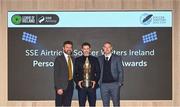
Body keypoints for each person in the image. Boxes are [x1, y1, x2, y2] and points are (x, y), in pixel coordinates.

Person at [74, 42, 101, 107]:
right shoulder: (77, 60)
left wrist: (95, 81)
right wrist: (78, 82)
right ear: (82, 50)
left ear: (90, 49)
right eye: (84, 49)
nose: (86, 50)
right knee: (81, 105)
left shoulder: (95, 59)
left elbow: (98, 72)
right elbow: (74, 73)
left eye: (87, 48)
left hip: (92, 86)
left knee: (92, 105)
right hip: (81, 87)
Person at [98, 41, 124, 107]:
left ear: (111, 48)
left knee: (116, 104)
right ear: (103, 48)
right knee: (105, 105)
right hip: (103, 85)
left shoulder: (117, 58)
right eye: (105, 47)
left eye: (108, 47)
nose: (107, 49)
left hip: (114, 85)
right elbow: (97, 71)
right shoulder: (99, 58)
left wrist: (119, 83)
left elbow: (120, 71)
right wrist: (99, 83)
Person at [54, 41, 74, 107]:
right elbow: (56, 74)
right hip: (61, 86)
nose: (69, 49)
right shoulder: (59, 59)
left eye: (70, 47)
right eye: (67, 47)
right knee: (59, 104)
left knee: (68, 105)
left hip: (70, 85)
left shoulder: (73, 59)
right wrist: (58, 87)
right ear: (63, 48)